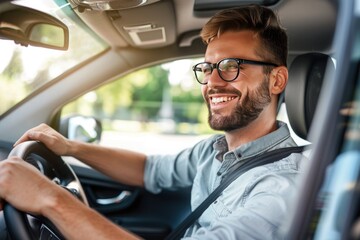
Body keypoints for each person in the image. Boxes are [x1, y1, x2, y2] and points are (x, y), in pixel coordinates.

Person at [0, 4, 303, 239]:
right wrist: (69, 147)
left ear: (276, 80)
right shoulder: (215, 149)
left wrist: (49, 198)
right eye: (207, 68)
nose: (212, 82)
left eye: (230, 66)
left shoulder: (280, 189)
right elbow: (149, 170)